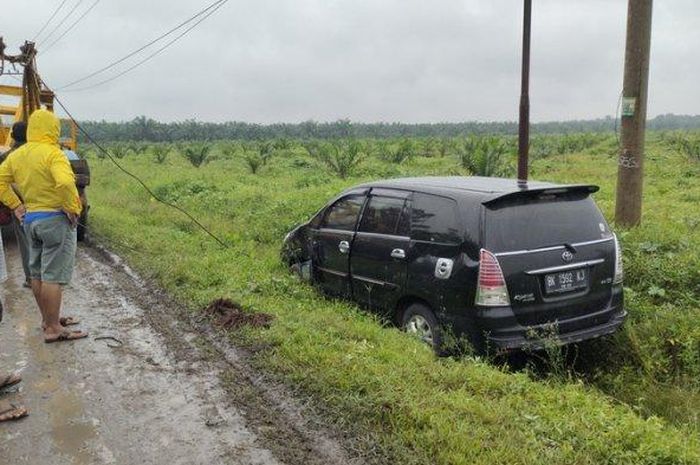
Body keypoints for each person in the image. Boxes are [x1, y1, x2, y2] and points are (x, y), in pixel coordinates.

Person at [0, 109, 87, 343]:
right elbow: (66, 181)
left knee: (37, 273)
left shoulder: (17, 155)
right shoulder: (54, 153)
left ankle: (49, 321)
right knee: (53, 277)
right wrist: (73, 208)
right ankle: (53, 329)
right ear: (53, 129)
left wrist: (16, 205)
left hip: (31, 221)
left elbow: (1, 181)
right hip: (55, 220)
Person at [0, 122, 32, 287]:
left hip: (19, 205)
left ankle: (31, 278)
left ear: (12, 136)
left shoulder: (6, 158)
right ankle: (49, 278)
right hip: (42, 203)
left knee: (26, 240)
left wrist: (13, 204)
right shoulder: (40, 154)